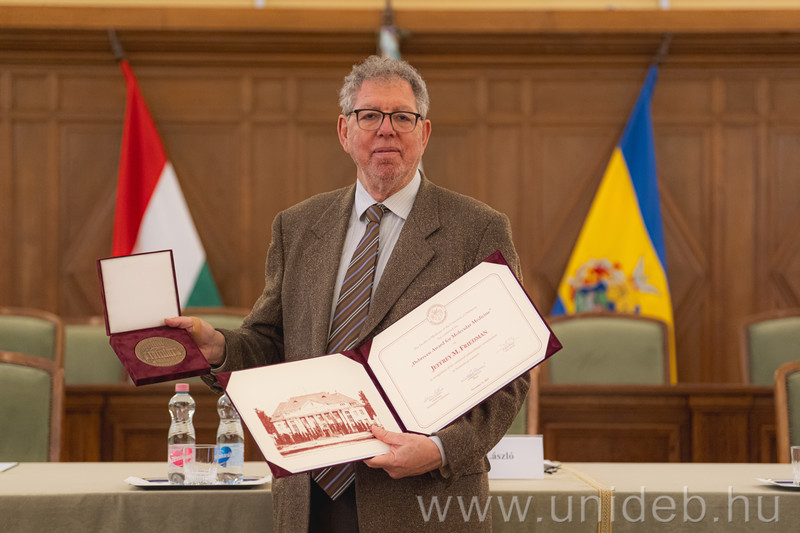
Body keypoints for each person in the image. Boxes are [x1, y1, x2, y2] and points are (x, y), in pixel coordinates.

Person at [167, 55, 529, 533]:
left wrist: (441, 449)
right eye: (370, 115)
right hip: (309, 497)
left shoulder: (477, 230)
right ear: (344, 130)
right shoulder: (297, 227)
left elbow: (510, 370)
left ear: (424, 133)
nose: (386, 130)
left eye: (403, 116)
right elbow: (273, 346)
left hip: (425, 499)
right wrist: (218, 349)